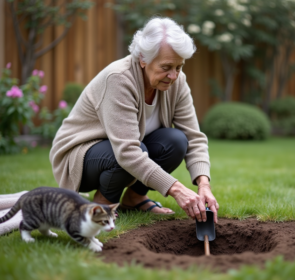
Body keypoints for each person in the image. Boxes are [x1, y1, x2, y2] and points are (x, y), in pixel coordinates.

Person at [49, 17, 219, 222]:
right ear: (143, 59)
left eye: (179, 67)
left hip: (125, 150)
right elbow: (127, 152)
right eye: (166, 67)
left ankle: (135, 198)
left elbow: (194, 137)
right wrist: (177, 189)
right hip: (81, 157)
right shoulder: (118, 78)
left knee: (176, 140)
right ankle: (102, 204)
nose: (173, 75)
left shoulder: (177, 82)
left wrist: (203, 184)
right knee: (137, 151)